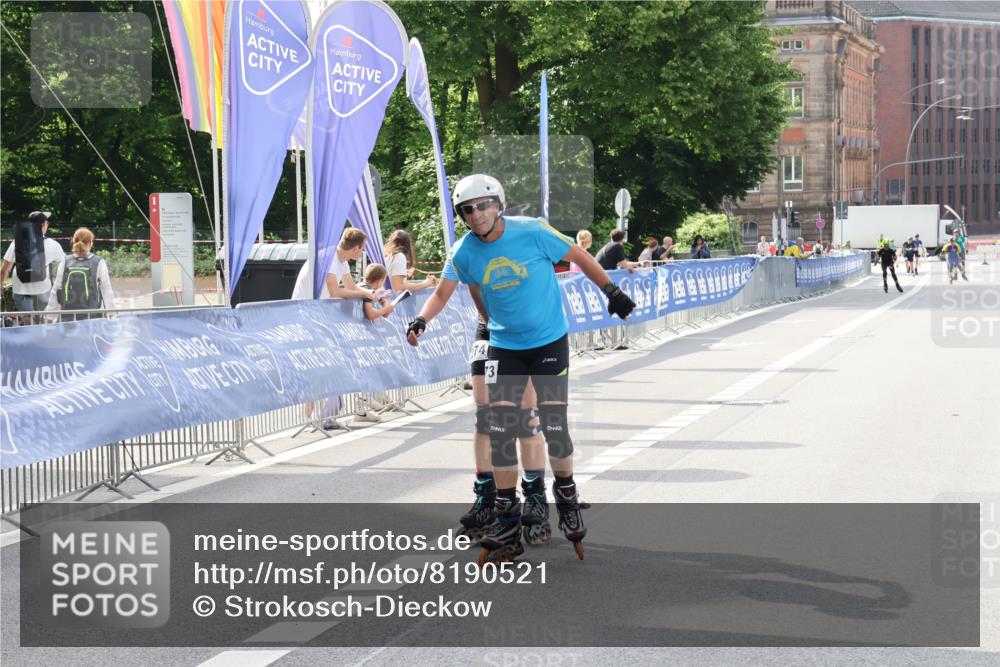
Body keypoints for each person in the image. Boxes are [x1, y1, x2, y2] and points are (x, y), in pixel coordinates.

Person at [406, 174, 635, 563]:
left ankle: (566, 493)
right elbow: (442, 292)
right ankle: (506, 519)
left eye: (482, 206)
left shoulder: (532, 232)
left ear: (498, 205)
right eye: (467, 209)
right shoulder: (463, 251)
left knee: (552, 424)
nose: (475, 215)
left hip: (548, 342)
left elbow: (579, 257)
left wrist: (611, 291)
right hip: (505, 346)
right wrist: (421, 321)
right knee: (500, 428)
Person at [460, 317, 551, 547]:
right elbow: (445, 289)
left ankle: (535, 495)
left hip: (525, 326)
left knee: (526, 417)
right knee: (485, 417)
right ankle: (486, 497)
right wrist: (422, 319)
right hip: (489, 327)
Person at [1, 210, 65, 324]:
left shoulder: (17, 242)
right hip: (42, 288)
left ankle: (28, 326)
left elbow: (5, 269)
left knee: (27, 319)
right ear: (43, 225)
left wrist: (0, 285)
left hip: (21, 287)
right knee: (47, 313)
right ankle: (45, 329)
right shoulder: (53, 244)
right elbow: (65, 265)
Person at [45, 227, 115, 321]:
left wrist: (50, 316)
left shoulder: (65, 261)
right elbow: (106, 290)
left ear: (73, 241)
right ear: (91, 242)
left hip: (68, 315)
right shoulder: (98, 261)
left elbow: (56, 289)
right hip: (92, 315)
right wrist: (112, 314)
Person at [291, 227, 371, 300]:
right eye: (363, 249)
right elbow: (335, 292)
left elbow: (352, 288)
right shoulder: (328, 259)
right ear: (356, 248)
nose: (363, 251)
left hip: (314, 307)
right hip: (303, 309)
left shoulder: (342, 261)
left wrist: (373, 293)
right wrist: (365, 294)